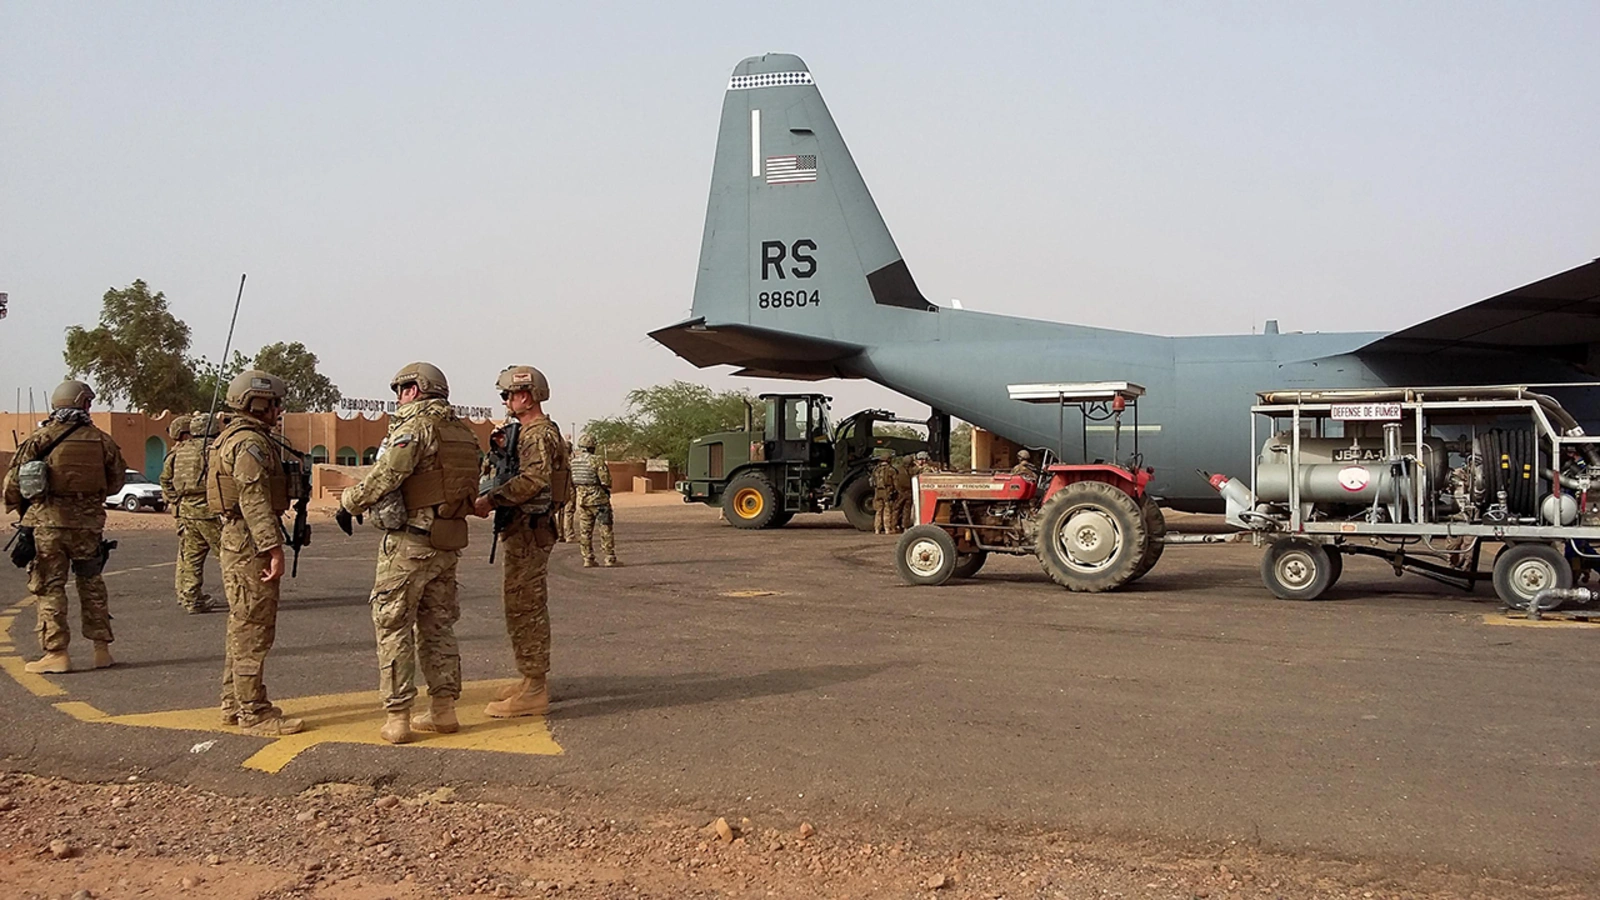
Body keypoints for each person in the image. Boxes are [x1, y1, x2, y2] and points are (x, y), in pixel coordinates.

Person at [335, 363, 479, 744]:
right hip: (446, 542)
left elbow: (387, 476)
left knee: (394, 625)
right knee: (439, 627)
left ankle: (398, 718)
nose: (399, 397)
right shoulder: (463, 433)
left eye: (402, 389)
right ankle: (444, 711)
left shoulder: (414, 428)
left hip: (409, 544)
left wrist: (348, 503)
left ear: (415, 390)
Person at [3, 380, 126, 673]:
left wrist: (24, 506)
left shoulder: (39, 439)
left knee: (49, 586)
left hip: (48, 526)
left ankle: (56, 653)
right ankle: (101, 650)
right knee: (91, 582)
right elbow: (117, 482)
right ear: (84, 404)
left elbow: (13, 483)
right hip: (88, 526)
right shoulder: (102, 440)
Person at [208, 370, 304, 736]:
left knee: (242, 624)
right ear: (258, 402)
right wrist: (273, 548)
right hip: (249, 543)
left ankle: (234, 703)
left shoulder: (231, 438)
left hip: (238, 539)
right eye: (275, 403)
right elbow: (253, 500)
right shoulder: (249, 444)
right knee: (254, 629)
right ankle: (254, 712)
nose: (278, 410)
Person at [474, 365, 571, 718]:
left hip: (529, 530)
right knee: (521, 603)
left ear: (525, 396)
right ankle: (530, 679)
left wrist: (491, 499)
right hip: (527, 528)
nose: (505, 402)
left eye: (507, 395)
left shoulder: (536, 434)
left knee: (524, 606)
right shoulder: (535, 432)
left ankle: (533, 689)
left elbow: (532, 481)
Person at [160, 413, 221, 614]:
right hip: (211, 511)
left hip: (186, 512)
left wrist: (177, 499)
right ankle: (241, 597)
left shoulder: (178, 452)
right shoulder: (215, 450)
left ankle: (191, 599)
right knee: (229, 556)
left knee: (192, 558)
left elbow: (165, 480)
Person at [570, 433, 618, 567]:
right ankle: (609, 557)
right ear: (592, 447)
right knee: (605, 528)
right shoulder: (597, 460)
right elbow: (606, 480)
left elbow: (572, 482)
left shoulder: (573, 462)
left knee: (585, 531)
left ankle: (588, 559)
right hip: (599, 500)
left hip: (582, 501)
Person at [871, 457, 896, 535]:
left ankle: (877, 529)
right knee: (887, 510)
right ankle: (887, 529)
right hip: (887, 491)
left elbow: (872, 481)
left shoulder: (876, 470)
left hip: (878, 491)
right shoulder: (891, 470)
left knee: (878, 511)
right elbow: (895, 481)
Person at [891, 455, 915, 532]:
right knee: (906, 510)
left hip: (900, 492)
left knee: (896, 509)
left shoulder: (898, 469)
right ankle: (905, 527)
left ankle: (893, 526)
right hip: (909, 492)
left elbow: (895, 481)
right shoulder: (913, 470)